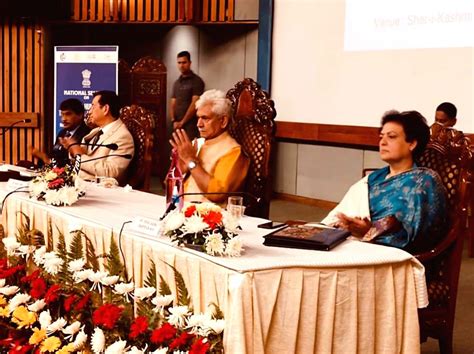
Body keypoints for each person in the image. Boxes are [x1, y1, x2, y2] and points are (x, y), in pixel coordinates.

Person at [322, 110, 447, 252]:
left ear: (412, 143)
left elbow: (418, 240)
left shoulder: (422, 182)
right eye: (381, 137)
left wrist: (369, 232)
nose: (383, 142)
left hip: (388, 257)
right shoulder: (374, 178)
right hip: (348, 243)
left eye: (391, 137)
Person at [169, 89, 250, 205]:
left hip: (212, 217)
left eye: (205, 118)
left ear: (223, 121)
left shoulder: (233, 151)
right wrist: (179, 170)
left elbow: (216, 194)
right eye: (198, 118)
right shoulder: (195, 145)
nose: (199, 124)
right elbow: (169, 187)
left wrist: (191, 162)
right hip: (181, 208)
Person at [60, 90, 134, 184]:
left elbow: (111, 172)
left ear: (105, 109)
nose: (89, 111)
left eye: (93, 106)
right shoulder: (96, 131)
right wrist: (73, 149)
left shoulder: (123, 136)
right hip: (79, 181)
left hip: (101, 190)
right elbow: (81, 155)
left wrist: (79, 156)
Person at [30, 98, 91, 167]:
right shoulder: (62, 133)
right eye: (62, 114)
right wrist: (42, 157)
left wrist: (45, 159)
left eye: (68, 114)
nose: (63, 119)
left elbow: (79, 164)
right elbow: (55, 156)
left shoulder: (88, 134)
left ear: (80, 115)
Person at [169, 51, 205, 140]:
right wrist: (173, 120)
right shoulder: (177, 83)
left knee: (190, 148)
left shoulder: (197, 81)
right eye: (179, 62)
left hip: (191, 126)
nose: (181, 65)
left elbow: (195, 103)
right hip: (176, 125)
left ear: (190, 63)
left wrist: (182, 122)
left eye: (184, 62)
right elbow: (172, 103)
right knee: (176, 151)